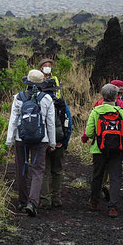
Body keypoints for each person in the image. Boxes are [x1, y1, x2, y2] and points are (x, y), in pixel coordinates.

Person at [6, 69, 56, 217]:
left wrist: (9, 140)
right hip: (41, 140)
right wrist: (52, 143)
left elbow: (13, 120)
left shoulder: (18, 97)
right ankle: (32, 203)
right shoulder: (47, 99)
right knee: (38, 170)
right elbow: (50, 123)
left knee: (21, 169)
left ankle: (22, 202)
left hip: (21, 138)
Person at [85, 84, 123, 217]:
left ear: (102, 96)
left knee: (97, 175)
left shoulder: (96, 111)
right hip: (117, 149)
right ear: (116, 96)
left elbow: (89, 132)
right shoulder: (121, 112)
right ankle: (112, 206)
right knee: (115, 177)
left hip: (98, 149)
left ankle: (94, 202)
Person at [38, 60, 72, 208]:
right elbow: (69, 124)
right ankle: (56, 199)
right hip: (58, 141)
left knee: (44, 170)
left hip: (42, 141)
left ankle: (44, 200)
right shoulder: (61, 103)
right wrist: (64, 143)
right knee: (57, 170)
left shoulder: (39, 102)